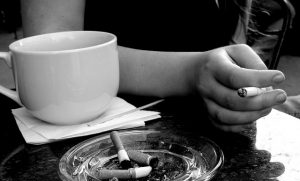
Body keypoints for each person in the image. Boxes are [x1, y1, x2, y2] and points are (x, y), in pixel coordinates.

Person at [20, 0, 288, 132]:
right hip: (97, 140)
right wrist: (190, 72)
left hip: (213, 144)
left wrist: (236, 82)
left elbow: (229, 41)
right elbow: (49, 46)